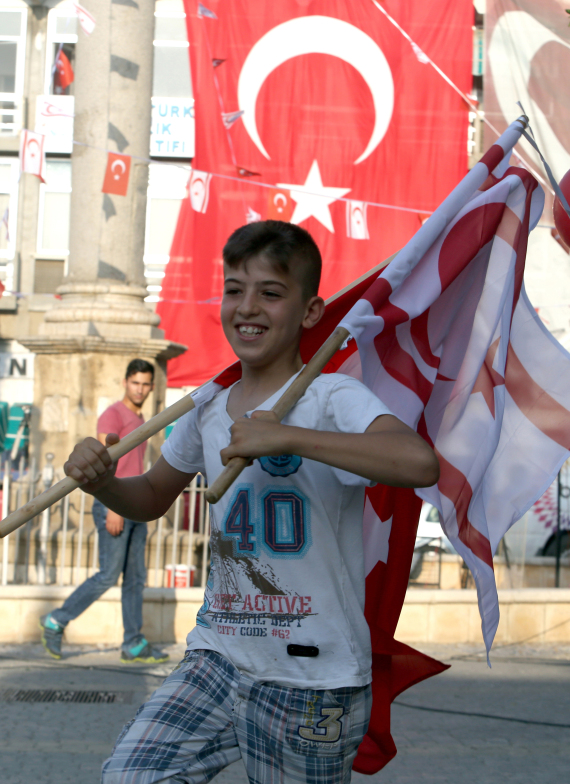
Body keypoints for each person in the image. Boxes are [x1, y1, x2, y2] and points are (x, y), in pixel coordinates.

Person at [63, 221, 439, 784]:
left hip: (313, 679)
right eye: (235, 289)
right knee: (131, 774)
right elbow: (150, 497)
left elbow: (417, 462)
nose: (248, 306)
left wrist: (285, 437)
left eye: (270, 292)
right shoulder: (207, 406)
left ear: (310, 312)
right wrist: (102, 483)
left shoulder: (331, 396)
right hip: (217, 655)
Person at [39, 359, 169, 665]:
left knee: (135, 579)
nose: (140, 389)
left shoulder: (139, 417)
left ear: (152, 386)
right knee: (108, 574)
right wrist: (113, 506)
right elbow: (102, 462)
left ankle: (133, 643)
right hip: (115, 504)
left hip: (135, 505)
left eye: (145, 384)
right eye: (135, 382)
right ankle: (56, 620)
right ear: (125, 382)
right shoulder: (113, 414)